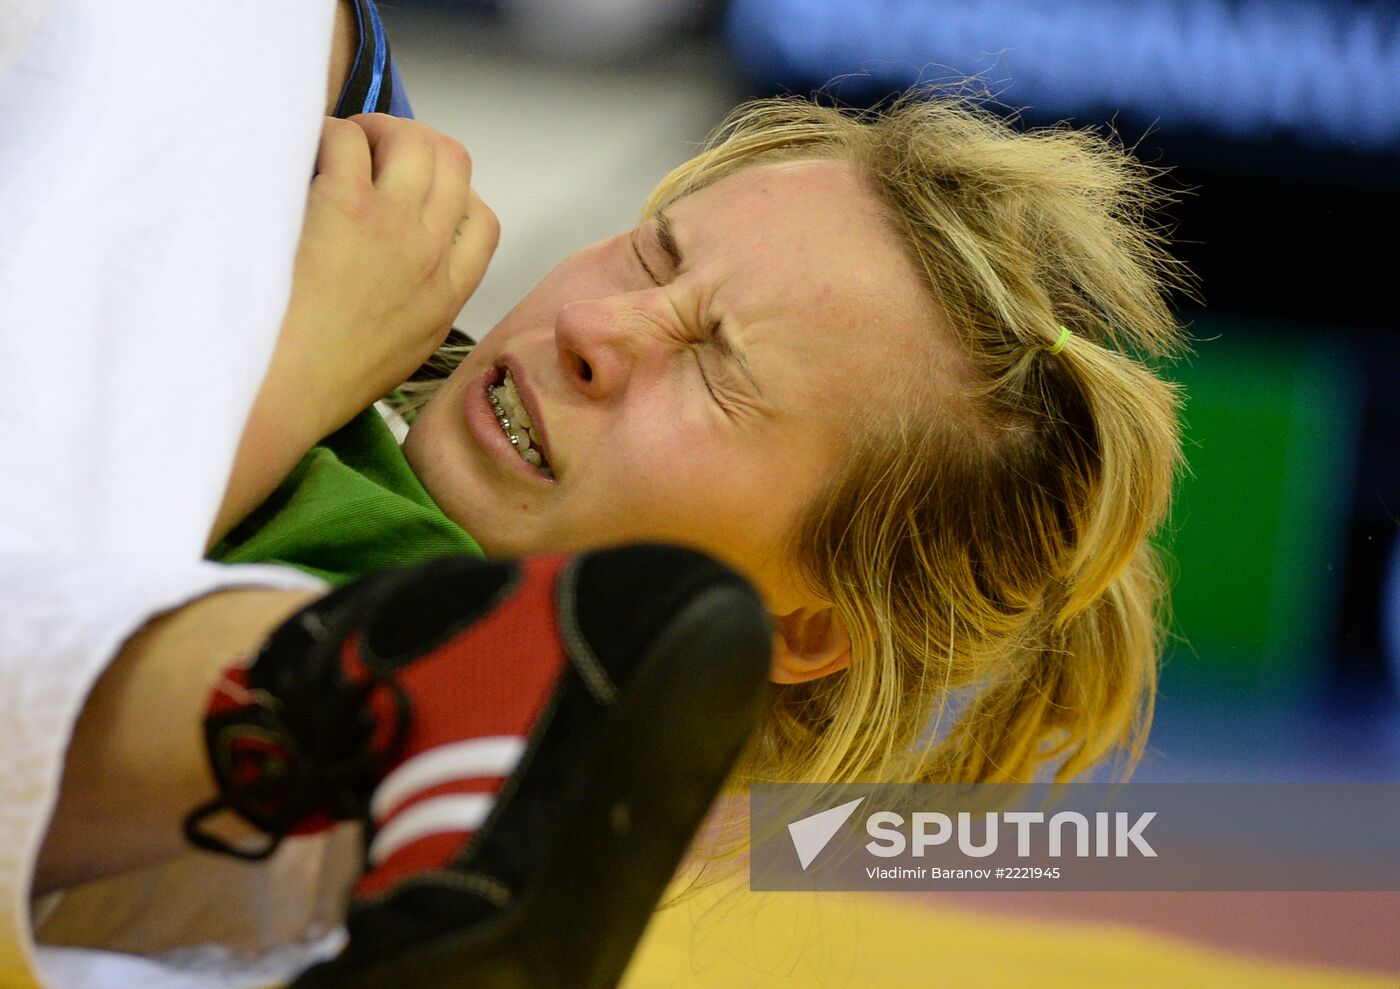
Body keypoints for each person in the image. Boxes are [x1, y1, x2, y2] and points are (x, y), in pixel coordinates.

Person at [10, 0, 1187, 985]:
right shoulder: (343, 244)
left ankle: (418, 693)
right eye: (653, 253)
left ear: (804, 623)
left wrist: (273, 387)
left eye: (722, 372)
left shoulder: (366, 611)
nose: (592, 327)